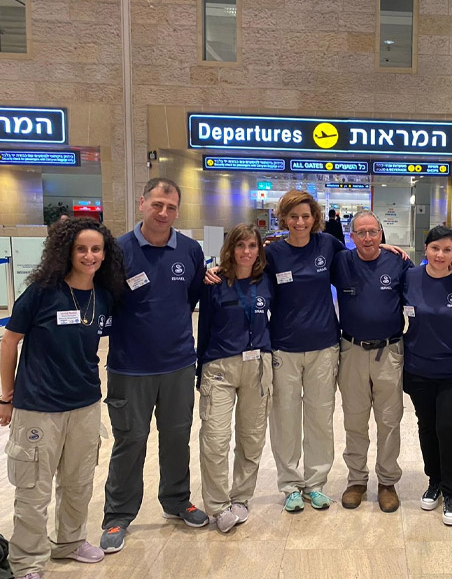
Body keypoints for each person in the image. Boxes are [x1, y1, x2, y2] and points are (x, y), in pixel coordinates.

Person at [0, 218, 126, 579]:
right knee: (33, 490)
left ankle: (70, 543)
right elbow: (9, 342)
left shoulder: (103, 296)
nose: (89, 255)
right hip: (38, 407)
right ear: (67, 252)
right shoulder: (42, 291)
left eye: (96, 249)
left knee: (78, 482)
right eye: (81, 249)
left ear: (105, 254)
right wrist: (5, 397)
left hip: (85, 404)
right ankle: (27, 562)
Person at [100, 178, 207, 553]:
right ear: (142, 202)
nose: (164, 213)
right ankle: (117, 515)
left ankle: (177, 501)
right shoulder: (117, 251)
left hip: (178, 363)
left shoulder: (191, 251)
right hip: (130, 367)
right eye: (158, 204)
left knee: (177, 437)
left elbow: (190, 297)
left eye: (171, 207)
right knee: (130, 441)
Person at [267, 190, 347, 512]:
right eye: (293, 216)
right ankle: (290, 485)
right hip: (284, 347)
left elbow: (361, 258)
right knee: (285, 419)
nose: (300, 222)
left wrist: (386, 246)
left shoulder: (327, 246)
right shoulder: (273, 253)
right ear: (283, 219)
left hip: (324, 347)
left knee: (319, 419)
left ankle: (315, 484)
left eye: (305, 216)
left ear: (314, 218)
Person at [332, 210, 413, 513]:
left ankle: (387, 482)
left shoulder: (398, 262)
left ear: (382, 234)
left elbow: (427, 282)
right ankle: (356, 480)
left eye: (373, 232)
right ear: (351, 236)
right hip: (351, 350)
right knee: (354, 419)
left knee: (389, 421)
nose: (367, 238)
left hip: (389, 352)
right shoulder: (340, 261)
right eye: (360, 232)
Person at [196, 224, 273, 533]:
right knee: (215, 439)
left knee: (251, 438)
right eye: (240, 246)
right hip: (220, 367)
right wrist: (200, 368)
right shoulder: (214, 282)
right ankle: (217, 506)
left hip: (257, 366)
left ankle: (241, 498)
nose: (246, 252)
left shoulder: (267, 281)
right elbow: (203, 328)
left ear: (259, 250)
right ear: (230, 249)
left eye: (252, 246)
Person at [403, 225, 452, 526]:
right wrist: (385, 246)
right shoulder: (409, 278)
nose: (440, 255)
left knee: (450, 427)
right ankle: (433, 481)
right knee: (427, 426)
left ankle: (451, 491)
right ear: (426, 248)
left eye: (447, 250)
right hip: (419, 368)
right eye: (435, 248)